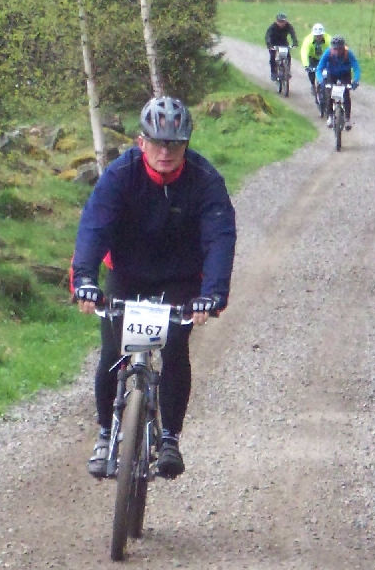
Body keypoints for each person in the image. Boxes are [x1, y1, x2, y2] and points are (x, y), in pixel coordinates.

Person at [72, 96, 237, 479]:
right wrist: (83, 280)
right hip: (127, 272)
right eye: (158, 142)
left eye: (175, 143)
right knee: (113, 352)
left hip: (181, 278)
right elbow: (94, 227)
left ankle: (169, 438)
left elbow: (220, 237)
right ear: (140, 141)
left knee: (176, 349)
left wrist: (212, 294)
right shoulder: (120, 175)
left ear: (186, 144)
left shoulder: (206, 180)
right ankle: (105, 432)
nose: (166, 151)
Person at [316, 35, 361, 131]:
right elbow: (319, 69)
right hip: (331, 75)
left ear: (343, 47)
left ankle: (347, 118)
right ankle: (330, 115)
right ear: (332, 48)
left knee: (346, 95)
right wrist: (321, 81)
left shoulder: (348, 53)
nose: (337, 51)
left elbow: (356, 67)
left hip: (345, 75)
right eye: (335, 49)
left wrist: (356, 80)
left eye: (339, 49)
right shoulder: (328, 53)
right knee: (329, 94)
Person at [300, 23, 332, 113]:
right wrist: (306, 65)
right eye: (317, 36)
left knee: (329, 73)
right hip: (313, 58)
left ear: (323, 34)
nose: (318, 37)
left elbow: (334, 49)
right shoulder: (308, 40)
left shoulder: (329, 38)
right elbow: (304, 52)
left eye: (320, 35)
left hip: (325, 58)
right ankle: (313, 85)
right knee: (311, 72)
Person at [265, 12, 298, 82]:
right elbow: (268, 36)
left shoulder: (288, 26)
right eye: (280, 21)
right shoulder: (272, 27)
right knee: (272, 57)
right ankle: (273, 73)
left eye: (283, 21)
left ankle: (287, 70)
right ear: (276, 21)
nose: (282, 23)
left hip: (283, 43)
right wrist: (269, 44)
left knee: (288, 56)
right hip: (273, 43)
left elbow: (293, 34)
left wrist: (295, 42)